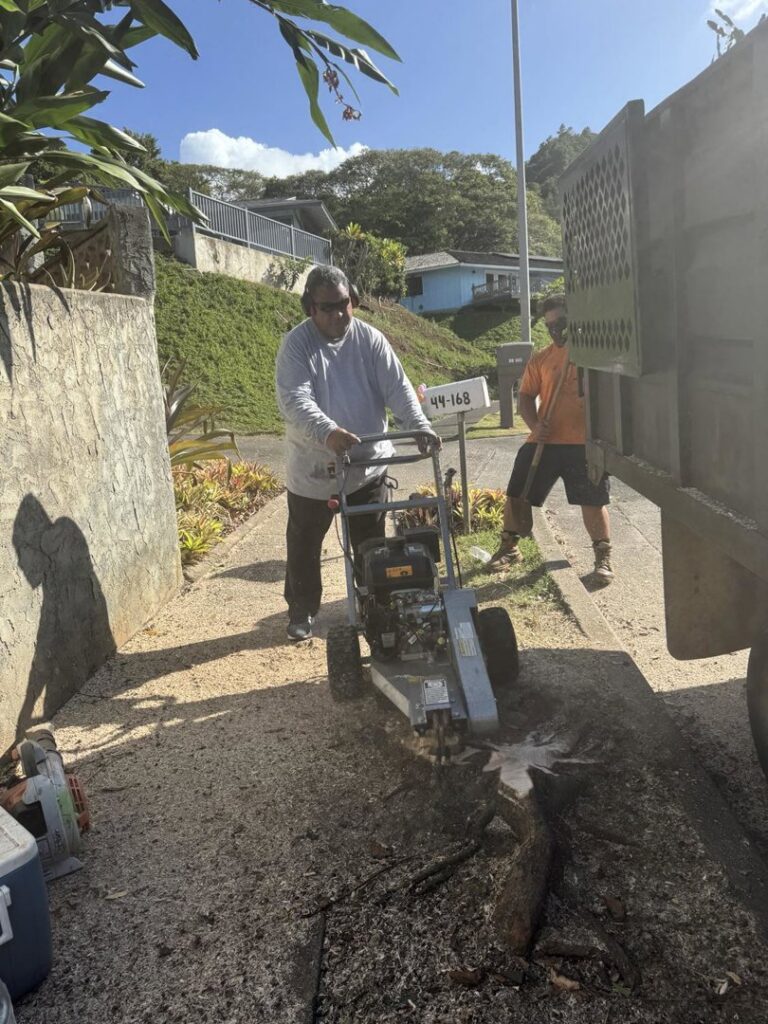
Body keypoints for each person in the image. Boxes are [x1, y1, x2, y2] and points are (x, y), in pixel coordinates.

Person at [275, 265, 436, 641]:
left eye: (344, 304)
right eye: (327, 307)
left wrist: (421, 426)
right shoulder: (297, 346)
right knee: (304, 543)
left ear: (355, 301)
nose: (337, 314)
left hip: (367, 464)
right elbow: (294, 400)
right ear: (309, 308)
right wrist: (327, 431)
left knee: (371, 545)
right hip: (316, 467)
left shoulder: (371, 340)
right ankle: (302, 609)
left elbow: (399, 388)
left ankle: (373, 606)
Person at [489, 294, 613, 580]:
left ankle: (603, 559)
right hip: (544, 442)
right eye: (550, 325)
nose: (556, 329)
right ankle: (510, 548)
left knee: (593, 501)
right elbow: (525, 398)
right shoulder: (541, 359)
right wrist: (535, 425)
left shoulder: (592, 355)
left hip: (584, 444)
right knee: (517, 492)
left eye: (561, 322)